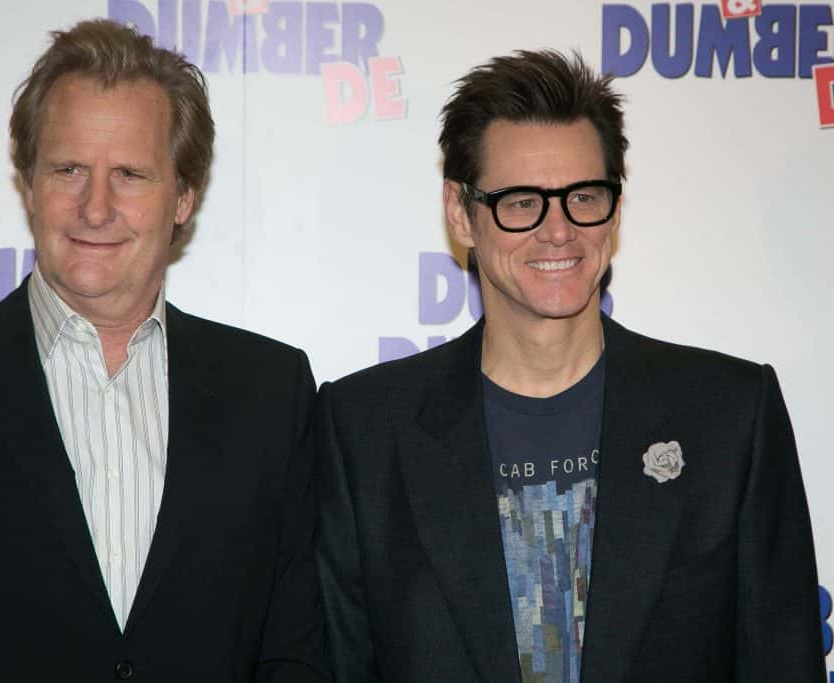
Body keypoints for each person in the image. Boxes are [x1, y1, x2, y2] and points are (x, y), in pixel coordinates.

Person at [0, 19, 327, 682]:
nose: (95, 207)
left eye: (129, 174)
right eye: (68, 169)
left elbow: (298, 649)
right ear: (28, 185)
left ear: (182, 198)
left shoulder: (272, 390)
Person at [315, 49, 824, 682]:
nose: (559, 231)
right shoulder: (364, 432)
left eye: (584, 196)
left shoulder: (730, 417)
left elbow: (784, 661)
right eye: (522, 202)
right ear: (460, 213)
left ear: (614, 208)